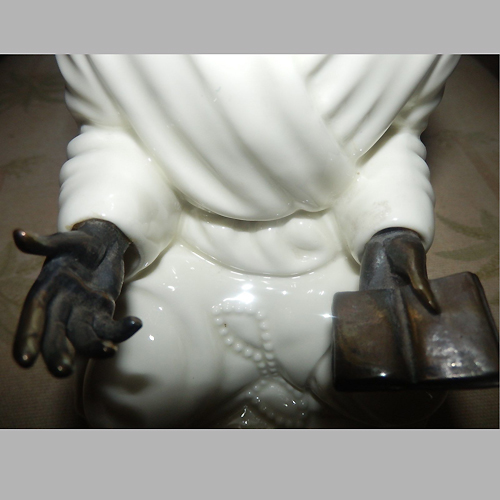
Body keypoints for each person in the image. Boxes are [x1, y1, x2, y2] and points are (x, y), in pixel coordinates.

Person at [13, 54, 460, 428]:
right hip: (191, 249)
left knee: (400, 391)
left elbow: (387, 148)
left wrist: (388, 233)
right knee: (132, 387)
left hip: (325, 249)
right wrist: (104, 235)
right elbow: (121, 144)